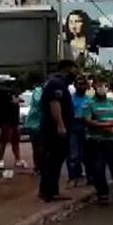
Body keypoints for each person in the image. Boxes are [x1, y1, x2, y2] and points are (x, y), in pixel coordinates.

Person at [39, 60, 78, 202]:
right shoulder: (57, 84)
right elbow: (54, 104)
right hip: (55, 130)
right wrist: (60, 125)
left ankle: (46, 191)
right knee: (54, 160)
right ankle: (51, 192)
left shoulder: (57, 83)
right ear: (67, 69)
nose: (75, 74)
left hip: (53, 128)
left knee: (51, 160)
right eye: (73, 70)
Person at [82, 79, 113, 204]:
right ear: (95, 88)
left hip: (112, 140)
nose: (101, 88)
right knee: (98, 168)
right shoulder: (89, 103)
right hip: (96, 140)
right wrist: (106, 125)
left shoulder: (112, 102)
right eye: (99, 86)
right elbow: (87, 120)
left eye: (103, 86)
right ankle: (102, 194)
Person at [67, 76, 91, 186]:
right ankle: (74, 177)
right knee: (74, 155)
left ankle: (89, 177)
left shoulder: (89, 99)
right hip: (74, 129)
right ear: (75, 86)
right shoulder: (70, 99)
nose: (81, 86)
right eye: (79, 84)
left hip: (87, 130)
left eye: (83, 84)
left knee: (87, 155)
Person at [0, 81, 24, 169]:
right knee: (4, 141)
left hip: (13, 120)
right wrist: (16, 99)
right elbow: (14, 101)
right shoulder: (3, 92)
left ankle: (17, 159)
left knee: (14, 141)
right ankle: (0, 160)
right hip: (6, 120)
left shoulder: (10, 92)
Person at [24, 77, 45, 174]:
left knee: (41, 148)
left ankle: (40, 167)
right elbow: (38, 101)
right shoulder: (38, 91)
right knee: (37, 148)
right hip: (35, 125)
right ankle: (38, 167)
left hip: (41, 124)